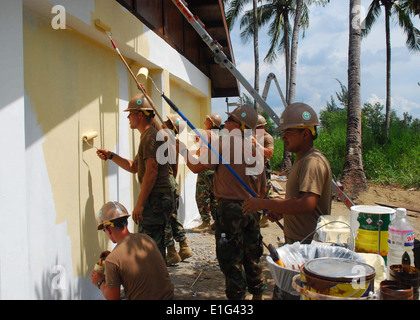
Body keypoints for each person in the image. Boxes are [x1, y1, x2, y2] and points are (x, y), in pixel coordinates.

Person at [179, 105, 267, 300]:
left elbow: (195, 167)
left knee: (231, 259)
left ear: (237, 125)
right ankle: (258, 295)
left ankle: (237, 299)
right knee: (252, 255)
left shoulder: (222, 145)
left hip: (230, 211)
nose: (225, 123)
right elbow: (262, 190)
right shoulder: (256, 150)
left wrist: (183, 150)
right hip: (253, 209)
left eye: (229, 120)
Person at [96, 93, 174, 261]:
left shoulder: (150, 136)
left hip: (156, 199)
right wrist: (111, 156)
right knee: (151, 247)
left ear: (140, 115)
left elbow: (151, 171)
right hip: (157, 198)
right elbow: (135, 167)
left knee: (150, 249)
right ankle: (157, 283)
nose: (128, 117)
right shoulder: (149, 135)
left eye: (130, 113)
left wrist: (139, 203)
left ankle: (156, 284)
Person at [242, 102, 332, 244]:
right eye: (283, 133)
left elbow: (306, 203)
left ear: (306, 134)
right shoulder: (302, 159)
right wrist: (283, 211)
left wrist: (264, 203)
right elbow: (298, 200)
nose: (283, 138)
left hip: (307, 243)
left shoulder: (312, 161)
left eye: (288, 133)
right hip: (299, 240)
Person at [90, 201, 174, 300]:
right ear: (126, 222)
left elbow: (113, 297)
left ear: (108, 229)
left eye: (104, 230)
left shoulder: (113, 260)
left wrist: (99, 282)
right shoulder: (146, 239)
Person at [162, 115, 193, 265]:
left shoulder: (162, 138)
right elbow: (174, 168)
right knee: (173, 216)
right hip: (172, 181)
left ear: (170, 124)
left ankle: (172, 252)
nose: (163, 122)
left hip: (164, 182)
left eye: (166, 121)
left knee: (165, 218)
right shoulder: (175, 142)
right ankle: (184, 245)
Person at [192, 113, 221, 233]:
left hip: (204, 168)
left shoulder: (207, 133)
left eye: (206, 120)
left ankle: (205, 222)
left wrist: (197, 155)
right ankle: (217, 221)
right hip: (214, 169)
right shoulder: (216, 135)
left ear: (211, 123)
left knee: (201, 195)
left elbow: (204, 152)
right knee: (214, 196)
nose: (204, 122)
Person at [253, 115, 274, 228]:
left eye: (258, 128)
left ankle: (265, 217)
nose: (256, 130)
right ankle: (258, 215)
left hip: (264, 168)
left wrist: (256, 144)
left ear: (262, 127)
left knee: (265, 192)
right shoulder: (254, 137)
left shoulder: (267, 138)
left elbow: (269, 153)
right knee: (256, 192)